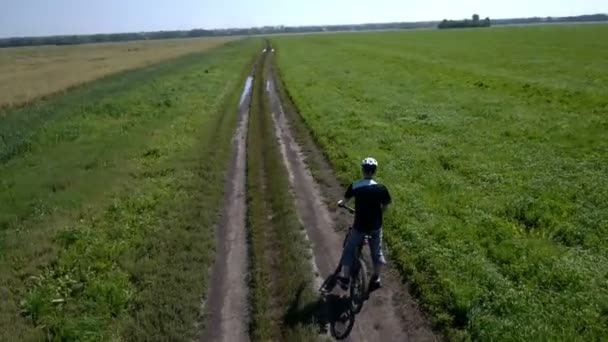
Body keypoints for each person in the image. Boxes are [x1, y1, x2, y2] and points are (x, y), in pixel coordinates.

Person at [337, 157, 391, 291]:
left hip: (360, 225)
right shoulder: (381, 188)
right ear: (374, 171)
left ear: (363, 170)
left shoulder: (355, 186)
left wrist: (341, 204)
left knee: (349, 249)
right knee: (377, 252)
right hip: (375, 226)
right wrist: (380, 215)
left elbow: (344, 201)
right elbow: (386, 205)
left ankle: (345, 279)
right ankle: (376, 278)